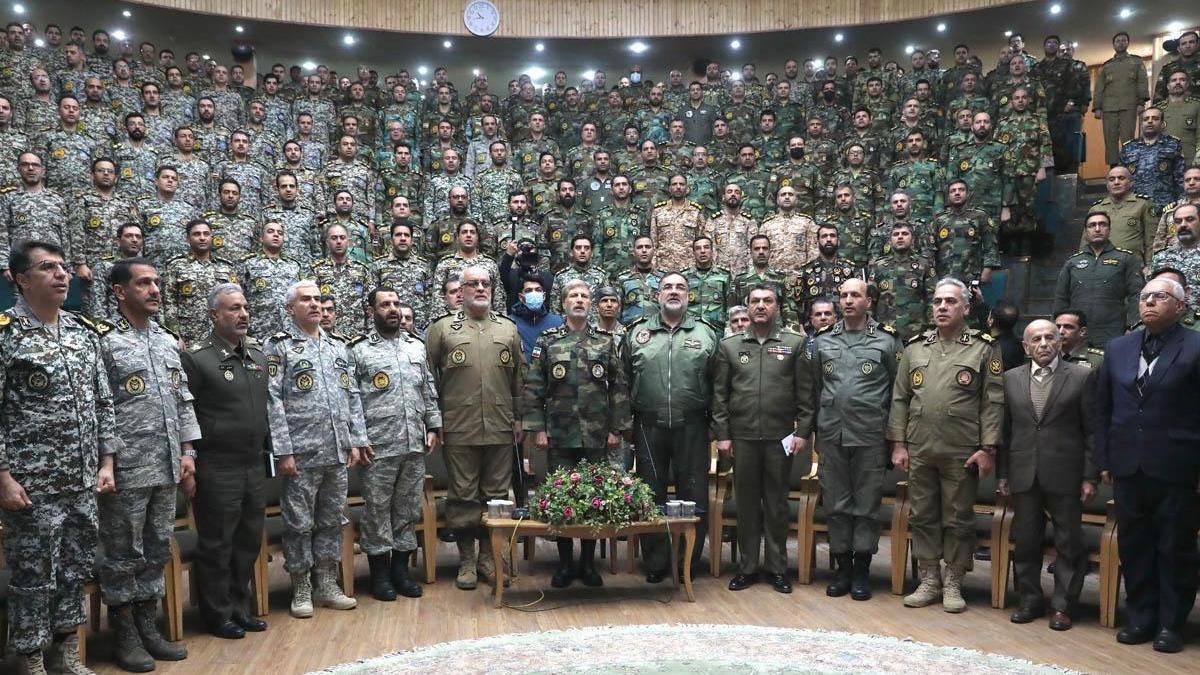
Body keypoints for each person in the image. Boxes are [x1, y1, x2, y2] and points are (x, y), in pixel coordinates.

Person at [0, 240, 116, 675]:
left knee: (75, 569)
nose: (62, 274)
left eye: (64, 267)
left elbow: (103, 402)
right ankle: (30, 657)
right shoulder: (6, 334)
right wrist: (3, 477)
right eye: (48, 267)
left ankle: (65, 651)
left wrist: (107, 462)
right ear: (21, 279)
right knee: (34, 575)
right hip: (31, 485)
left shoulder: (83, 332)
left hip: (82, 480)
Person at [97, 258, 199, 671]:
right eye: (143, 283)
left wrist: (188, 451)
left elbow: (183, 399)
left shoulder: (167, 340)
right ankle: (124, 634)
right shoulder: (104, 342)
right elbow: (100, 408)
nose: (155, 290)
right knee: (124, 553)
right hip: (127, 468)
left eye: (156, 282)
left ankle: (148, 626)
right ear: (120, 292)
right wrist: (107, 461)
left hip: (167, 463)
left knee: (157, 548)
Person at [1095, 277, 1200, 653]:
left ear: (1180, 306)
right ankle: (1141, 616)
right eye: (1144, 296)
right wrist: (1104, 458)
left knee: (1175, 547)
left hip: (1177, 466)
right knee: (1135, 545)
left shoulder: (1196, 346)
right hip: (1127, 464)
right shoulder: (1118, 347)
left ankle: (1171, 623)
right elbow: (1103, 408)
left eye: (1160, 296)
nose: (1149, 302)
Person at [888, 277, 1003, 613]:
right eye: (938, 301)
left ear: (965, 308)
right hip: (920, 446)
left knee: (957, 517)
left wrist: (988, 448)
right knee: (922, 515)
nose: (942, 307)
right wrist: (898, 444)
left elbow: (993, 401)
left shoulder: (983, 347)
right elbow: (900, 398)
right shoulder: (915, 347)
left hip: (962, 449)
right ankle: (929, 579)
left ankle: (953, 581)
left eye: (950, 302)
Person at [265, 280, 368, 618]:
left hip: (336, 450)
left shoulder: (338, 346)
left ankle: (326, 583)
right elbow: (272, 401)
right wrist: (283, 450)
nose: (314, 305)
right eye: (306, 300)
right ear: (290, 308)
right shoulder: (279, 347)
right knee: (299, 523)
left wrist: (356, 439)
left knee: (331, 520)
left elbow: (352, 396)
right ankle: (301, 586)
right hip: (301, 453)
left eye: (318, 299)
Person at [799, 278, 900, 600]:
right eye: (843, 295)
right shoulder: (823, 340)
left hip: (871, 435)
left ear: (869, 301)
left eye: (855, 295)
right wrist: (815, 431)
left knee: (867, 506)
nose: (848, 300)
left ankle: (862, 570)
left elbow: (898, 393)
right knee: (836, 504)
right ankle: (842, 568)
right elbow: (816, 389)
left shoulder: (887, 341)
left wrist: (896, 439)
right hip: (832, 434)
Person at [524, 280, 630, 588]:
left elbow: (619, 388)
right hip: (560, 434)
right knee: (561, 496)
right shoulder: (548, 341)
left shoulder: (604, 342)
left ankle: (587, 563)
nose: (580, 300)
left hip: (596, 435)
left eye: (584, 296)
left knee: (593, 497)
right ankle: (565, 563)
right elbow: (534, 387)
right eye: (574, 295)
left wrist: (616, 429)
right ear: (564, 303)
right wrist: (538, 429)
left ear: (591, 304)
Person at [425, 266, 525, 590]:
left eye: (485, 283)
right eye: (473, 284)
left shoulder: (508, 329)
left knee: (496, 496)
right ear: (461, 290)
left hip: (500, 424)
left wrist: (519, 418)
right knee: (463, 496)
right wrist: (434, 420)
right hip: (459, 425)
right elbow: (427, 379)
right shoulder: (442, 329)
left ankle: (488, 558)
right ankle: (466, 559)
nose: (480, 288)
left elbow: (518, 379)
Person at [182, 283, 271, 639]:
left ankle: (239, 607)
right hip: (217, 465)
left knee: (248, 541)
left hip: (252, 462)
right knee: (218, 543)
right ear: (214, 315)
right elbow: (185, 412)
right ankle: (217, 614)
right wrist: (189, 457)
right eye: (234, 308)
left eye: (245, 307)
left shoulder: (257, 356)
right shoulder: (198, 359)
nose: (243, 314)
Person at [998, 319, 1096, 631]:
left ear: (1060, 342)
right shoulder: (1011, 378)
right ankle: (1029, 599)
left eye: (1050, 337)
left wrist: (1090, 476)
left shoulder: (1081, 376)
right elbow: (1005, 431)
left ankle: (1063, 606)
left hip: (1066, 472)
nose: (1043, 343)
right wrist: (1003, 474)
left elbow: (1092, 431)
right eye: (1036, 339)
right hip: (1023, 470)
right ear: (1025, 346)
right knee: (1026, 540)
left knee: (1069, 543)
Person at [623, 272, 719, 580]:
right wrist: (625, 424)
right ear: (657, 295)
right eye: (667, 287)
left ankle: (687, 561)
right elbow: (623, 381)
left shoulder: (706, 333)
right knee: (650, 495)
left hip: (692, 425)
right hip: (648, 425)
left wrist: (716, 426)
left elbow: (718, 384)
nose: (674, 292)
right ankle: (656, 562)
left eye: (680, 287)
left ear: (689, 295)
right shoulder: (637, 333)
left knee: (693, 495)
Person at [713, 283, 808, 594]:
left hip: (781, 438)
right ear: (748, 306)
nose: (761, 306)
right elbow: (720, 396)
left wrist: (803, 432)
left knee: (777, 505)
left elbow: (805, 394)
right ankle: (748, 568)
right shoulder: (730, 346)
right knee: (747, 505)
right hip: (742, 438)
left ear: (777, 307)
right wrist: (723, 436)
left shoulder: (794, 343)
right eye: (755, 301)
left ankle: (777, 568)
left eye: (768, 301)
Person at [349, 287, 441, 601]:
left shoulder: (416, 346)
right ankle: (380, 574)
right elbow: (352, 400)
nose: (392, 309)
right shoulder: (359, 350)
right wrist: (358, 438)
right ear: (370, 311)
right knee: (377, 511)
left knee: (408, 509)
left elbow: (427, 389)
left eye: (396, 303)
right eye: (385, 304)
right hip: (378, 445)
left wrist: (433, 425)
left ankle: (401, 571)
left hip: (413, 442)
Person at [1055, 211, 1143, 346]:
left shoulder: (1125, 258)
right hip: (1077, 335)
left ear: (1109, 230)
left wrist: (1132, 326)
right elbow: (1061, 298)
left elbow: (1136, 295)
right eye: (1092, 225)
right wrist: (1057, 329)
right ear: (1086, 231)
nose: (1097, 229)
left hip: (1114, 332)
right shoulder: (1072, 262)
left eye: (1102, 225)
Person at [1093, 31, 1149, 166]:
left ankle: (1129, 168)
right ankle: (1113, 169)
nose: (1121, 43)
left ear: (1128, 43)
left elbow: (1142, 82)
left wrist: (1141, 102)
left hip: (1128, 106)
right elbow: (1099, 87)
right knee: (1110, 139)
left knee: (1128, 139)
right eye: (1118, 41)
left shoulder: (1136, 62)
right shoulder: (1106, 66)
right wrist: (1097, 107)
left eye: (1124, 40)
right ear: (1113, 44)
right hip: (1109, 108)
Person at [510, 274, 564, 361]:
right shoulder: (510, 323)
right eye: (528, 291)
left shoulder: (558, 322)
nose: (534, 293)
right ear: (521, 297)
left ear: (544, 296)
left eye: (538, 290)